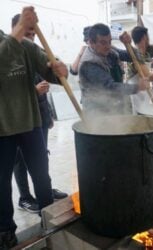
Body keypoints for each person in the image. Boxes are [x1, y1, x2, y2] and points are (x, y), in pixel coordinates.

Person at [0, 6, 68, 248]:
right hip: (2, 130)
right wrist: (19, 29)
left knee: (41, 174)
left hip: (30, 124)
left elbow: (49, 67)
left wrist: (60, 69)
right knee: (2, 182)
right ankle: (5, 229)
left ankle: (47, 216)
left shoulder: (25, 45)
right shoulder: (13, 40)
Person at [78, 23, 149, 115]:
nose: (108, 46)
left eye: (109, 41)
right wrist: (137, 87)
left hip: (115, 107)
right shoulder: (89, 64)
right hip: (97, 113)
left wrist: (128, 44)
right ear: (91, 42)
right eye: (103, 42)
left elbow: (136, 57)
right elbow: (110, 88)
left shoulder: (110, 52)